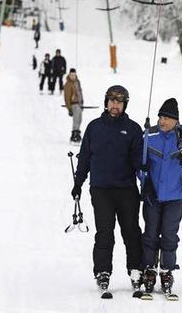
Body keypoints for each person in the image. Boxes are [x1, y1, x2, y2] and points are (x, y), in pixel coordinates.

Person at [72, 85, 145, 294]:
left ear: (124, 105)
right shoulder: (94, 127)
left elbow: (137, 161)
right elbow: (85, 157)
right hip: (101, 189)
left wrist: (143, 170)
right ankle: (103, 272)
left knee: (131, 231)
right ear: (106, 102)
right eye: (112, 100)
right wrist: (78, 183)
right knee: (105, 233)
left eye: (119, 101)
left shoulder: (133, 129)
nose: (115, 105)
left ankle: (135, 270)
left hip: (126, 189)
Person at [138, 98, 182, 296]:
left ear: (176, 120)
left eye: (167, 117)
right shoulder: (149, 134)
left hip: (176, 195)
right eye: (160, 116)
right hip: (152, 195)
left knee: (169, 235)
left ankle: (167, 271)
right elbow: (138, 161)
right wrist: (144, 181)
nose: (162, 120)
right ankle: (149, 270)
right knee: (151, 233)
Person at [63, 69, 83, 143]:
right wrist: (69, 109)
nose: (73, 77)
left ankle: (77, 133)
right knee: (76, 120)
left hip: (79, 104)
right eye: (71, 75)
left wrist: (82, 101)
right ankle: (74, 136)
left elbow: (80, 92)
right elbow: (66, 97)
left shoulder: (77, 82)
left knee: (80, 119)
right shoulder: (68, 84)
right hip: (73, 104)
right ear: (69, 75)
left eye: (74, 75)